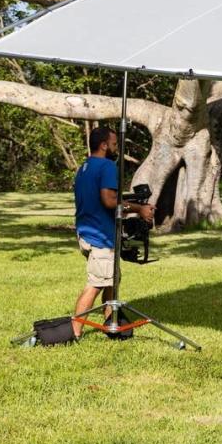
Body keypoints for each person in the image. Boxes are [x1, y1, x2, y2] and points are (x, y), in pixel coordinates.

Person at [72, 127, 155, 339]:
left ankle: (113, 324)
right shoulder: (108, 165)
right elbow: (109, 201)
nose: (117, 148)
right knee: (96, 284)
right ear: (104, 145)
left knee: (111, 281)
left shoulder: (85, 167)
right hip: (100, 236)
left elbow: (97, 201)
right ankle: (74, 332)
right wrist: (139, 209)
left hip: (87, 232)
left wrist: (127, 206)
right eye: (115, 144)